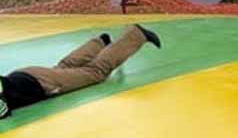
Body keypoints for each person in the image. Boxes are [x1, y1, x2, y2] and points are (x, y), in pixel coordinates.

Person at [0, 24, 162, 118]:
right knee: (65, 68)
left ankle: (136, 35)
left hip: (40, 83)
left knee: (95, 73)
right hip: (27, 75)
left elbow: (3, 110)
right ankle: (99, 43)